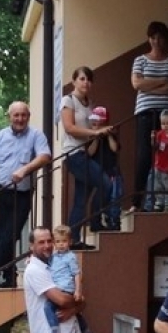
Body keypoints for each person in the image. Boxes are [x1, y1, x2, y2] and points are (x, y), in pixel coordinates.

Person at [0, 100, 52, 287]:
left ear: (28, 117)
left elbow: (45, 156)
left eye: (24, 115)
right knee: (2, 235)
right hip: (1, 189)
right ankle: (7, 275)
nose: (20, 119)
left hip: (22, 192)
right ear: (9, 116)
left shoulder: (36, 135)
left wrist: (25, 170)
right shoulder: (0, 136)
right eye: (16, 115)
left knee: (12, 233)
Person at [130, 21, 168, 210]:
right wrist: (162, 82)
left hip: (167, 114)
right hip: (145, 111)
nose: (156, 41)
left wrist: (150, 85)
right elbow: (137, 84)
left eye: (159, 37)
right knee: (144, 155)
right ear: (148, 39)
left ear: (165, 38)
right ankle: (137, 201)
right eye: (153, 37)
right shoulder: (140, 60)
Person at [59, 66, 106, 243]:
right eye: (82, 79)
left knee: (80, 200)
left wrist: (98, 132)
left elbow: (90, 128)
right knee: (106, 184)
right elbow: (69, 128)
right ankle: (95, 222)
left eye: (89, 79)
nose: (86, 82)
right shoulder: (68, 100)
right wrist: (94, 134)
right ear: (74, 81)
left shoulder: (89, 103)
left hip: (86, 153)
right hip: (73, 154)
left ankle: (74, 240)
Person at [44, 225, 96, 333]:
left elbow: (77, 274)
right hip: (58, 288)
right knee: (74, 310)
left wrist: (78, 290)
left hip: (66, 288)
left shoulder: (71, 257)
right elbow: (44, 262)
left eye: (64, 241)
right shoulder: (53, 257)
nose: (61, 244)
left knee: (48, 307)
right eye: (58, 242)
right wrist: (30, 259)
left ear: (70, 242)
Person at [86, 106, 124, 231]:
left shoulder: (111, 135)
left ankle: (114, 220)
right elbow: (90, 153)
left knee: (115, 196)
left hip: (112, 170)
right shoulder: (90, 136)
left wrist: (108, 135)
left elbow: (115, 148)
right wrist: (96, 136)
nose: (95, 124)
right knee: (100, 197)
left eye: (98, 122)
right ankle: (97, 221)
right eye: (94, 122)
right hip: (98, 172)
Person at [146, 107, 168, 212]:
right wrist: (153, 139)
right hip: (158, 164)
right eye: (163, 123)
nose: (165, 126)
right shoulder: (159, 134)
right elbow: (155, 147)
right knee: (158, 185)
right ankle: (159, 202)